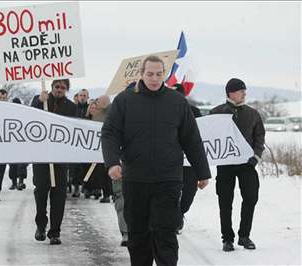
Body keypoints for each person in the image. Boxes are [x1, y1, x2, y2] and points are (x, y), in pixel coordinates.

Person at [102, 55, 211, 266]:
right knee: (139, 234)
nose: (154, 78)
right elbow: (110, 133)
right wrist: (112, 162)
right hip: (136, 179)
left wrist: (202, 171)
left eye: (159, 74)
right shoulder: (125, 100)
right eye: (150, 74)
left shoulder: (177, 101)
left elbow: (191, 138)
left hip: (168, 178)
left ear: (165, 74)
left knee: (166, 232)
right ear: (141, 74)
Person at [209, 78, 265, 252]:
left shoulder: (252, 113)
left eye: (244, 90)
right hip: (225, 165)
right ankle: (227, 239)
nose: (244, 93)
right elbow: (209, 137)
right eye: (241, 90)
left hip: (247, 165)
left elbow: (259, 137)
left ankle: (244, 236)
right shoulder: (216, 112)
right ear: (230, 92)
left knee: (251, 198)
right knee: (225, 202)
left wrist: (255, 158)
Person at [32, 79, 76, 245]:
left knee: (59, 195)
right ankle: (41, 225)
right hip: (41, 155)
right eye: (57, 87)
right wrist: (39, 102)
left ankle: (55, 231)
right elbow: (29, 118)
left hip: (60, 156)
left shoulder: (71, 107)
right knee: (41, 192)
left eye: (63, 87)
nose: (59, 89)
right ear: (51, 87)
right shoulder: (40, 100)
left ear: (66, 90)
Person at [172, 83, 203, 233]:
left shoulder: (194, 111)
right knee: (173, 191)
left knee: (189, 191)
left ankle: (180, 213)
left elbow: (201, 134)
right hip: (172, 160)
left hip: (189, 160)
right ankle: (175, 220)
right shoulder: (165, 111)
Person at [69, 89, 89, 197]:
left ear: (87, 97)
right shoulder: (73, 108)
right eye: (81, 95)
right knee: (75, 166)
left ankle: (85, 186)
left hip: (86, 140)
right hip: (75, 139)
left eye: (84, 95)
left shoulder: (90, 109)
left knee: (85, 165)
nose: (82, 97)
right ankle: (75, 187)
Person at [8, 98, 28, 191]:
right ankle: (14, 182)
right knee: (12, 164)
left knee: (21, 164)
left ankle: (20, 181)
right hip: (12, 143)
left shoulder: (23, 114)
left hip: (21, 143)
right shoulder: (9, 115)